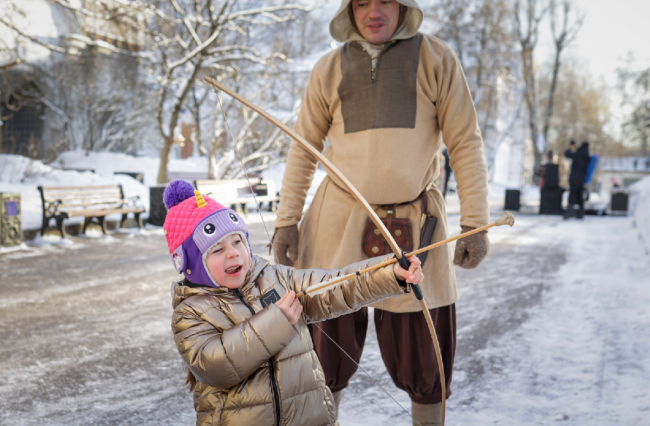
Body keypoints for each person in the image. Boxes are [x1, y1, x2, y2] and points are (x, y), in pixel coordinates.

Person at [272, 0, 490, 424]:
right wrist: (286, 221)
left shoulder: (436, 59)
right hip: (337, 224)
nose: (374, 11)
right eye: (361, 2)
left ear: (404, 5)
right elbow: (303, 148)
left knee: (425, 359)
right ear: (349, 9)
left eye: (386, 0)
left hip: (416, 226)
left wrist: (475, 223)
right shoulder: (327, 69)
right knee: (323, 357)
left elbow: (465, 142)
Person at [162, 180, 424, 426]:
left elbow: (337, 284)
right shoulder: (190, 312)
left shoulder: (276, 278)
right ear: (191, 265)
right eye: (216, 250)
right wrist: (277, 321)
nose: (232, 253)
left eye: (237, 241)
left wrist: (389, 274)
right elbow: (215, 365)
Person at [564, 141, 590, 219]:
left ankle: (569, 213)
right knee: (580, 197)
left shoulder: (578, 154)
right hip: (581, 181)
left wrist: (570, 148)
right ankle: (580, 214)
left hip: (574, 180)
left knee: (572, 196)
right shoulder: (587, 156)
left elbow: (567, 154)